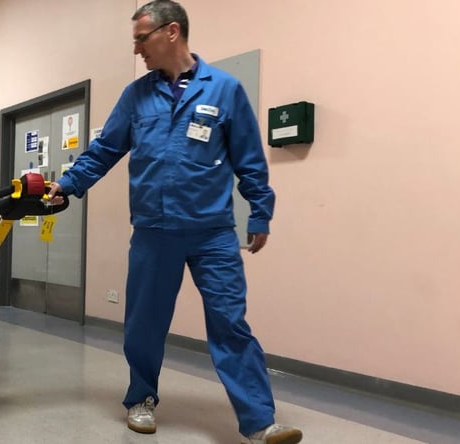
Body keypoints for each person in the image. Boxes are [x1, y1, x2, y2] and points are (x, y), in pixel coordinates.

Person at [46, 1, 302, 443]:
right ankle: (141, 398)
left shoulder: (224, 90)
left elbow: (249, 157)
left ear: (172, 33)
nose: (137, 49)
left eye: (141, 39)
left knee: (230, 322)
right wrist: (67, 184)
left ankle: (260, 421)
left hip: (213, 232)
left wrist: (260, 209)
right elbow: (105, 149)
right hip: (154, 230)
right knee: (145, 321)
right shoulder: (136, 95)